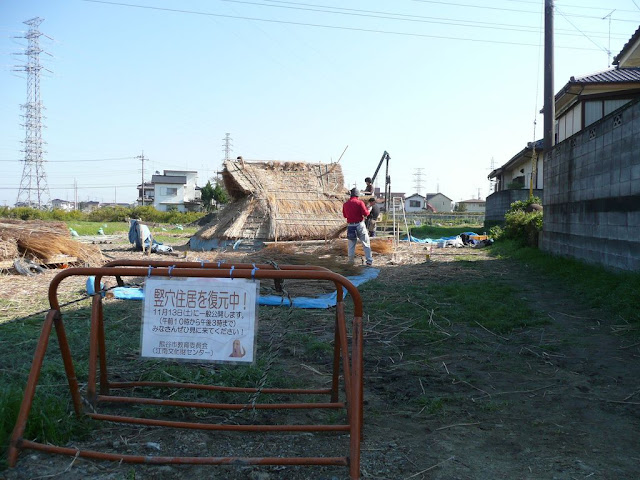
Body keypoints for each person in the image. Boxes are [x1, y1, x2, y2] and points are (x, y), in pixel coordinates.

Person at [342, 188, 373, 265]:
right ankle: (369, 261)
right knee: (366, 243)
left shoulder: (345, 204)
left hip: (350, 226)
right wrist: (368, 210)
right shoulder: (360, 203)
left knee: (351, 245)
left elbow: (345, 215)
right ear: (357, 195)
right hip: (359, 225)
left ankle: (351, 262)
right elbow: (366, 213)